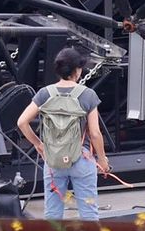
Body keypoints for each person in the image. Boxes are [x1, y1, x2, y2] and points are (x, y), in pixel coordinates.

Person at [16, 47, 109, 221]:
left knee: (52, 215)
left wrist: (38, 144)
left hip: (53, 161)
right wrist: (102, 160)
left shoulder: (45, 93)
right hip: (81, 159)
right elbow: (95, 133)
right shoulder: (88, 95)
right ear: (77, 70)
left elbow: (22, 122)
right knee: (89, 214)